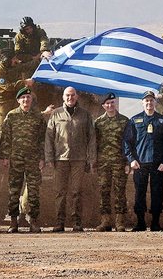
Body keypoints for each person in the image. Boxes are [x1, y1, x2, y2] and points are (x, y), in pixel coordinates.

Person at [45, 86, 95, 232]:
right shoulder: (56, 114)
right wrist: (49, 158)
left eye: (72, 95)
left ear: (77, 97)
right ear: (63, 97)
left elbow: (91, 138)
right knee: (60, 192)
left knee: (76, 192)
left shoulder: (85, 115)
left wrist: (91, 158)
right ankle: (59, 222)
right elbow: (49, 137)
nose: (70, 98)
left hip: (79, 160)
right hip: (60, 159)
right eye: (67, 95)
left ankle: (76, 223)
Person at [123, 91, 163, 231]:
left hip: (158, 164)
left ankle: (155, 223)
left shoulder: (162, 121)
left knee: (157, 193)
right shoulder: (134, 120)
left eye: (151, 101)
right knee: (139, 193)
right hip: (140, 163)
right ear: (142, 103)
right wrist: (131, 159)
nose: (149, 103)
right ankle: (140, 222)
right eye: (146, 101)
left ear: (155, 103)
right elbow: (128, 142)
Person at [1, 87, 46, 233]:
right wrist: (5, 157)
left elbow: (42, 140)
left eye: (28, 97)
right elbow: (5, 138)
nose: (26, 100)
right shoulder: (12, 116)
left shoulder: (38, 117)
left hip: (33, 159)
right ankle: (13, 221)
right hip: (16, 159)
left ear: (32, 100)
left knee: (33, 191)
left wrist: (42, 158)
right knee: (14, 190)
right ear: (19, 100)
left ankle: (33, 221)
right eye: (23, 98)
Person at [94, 92, 130, 232]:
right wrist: (94, 161)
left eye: (112, 103)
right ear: (103, 106)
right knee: (104, 191)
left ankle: (120, 222)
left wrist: (127, 162)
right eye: (107, 103)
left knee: (120, 191)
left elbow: (128, 143)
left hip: (119, 162)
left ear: (115, 103)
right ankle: (105, 221)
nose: (110, 105)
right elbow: (95, 143)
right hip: (103, 162)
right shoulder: (98, 122)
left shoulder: (124, 121)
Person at [0, 47, 34, 130]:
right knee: (4, 127)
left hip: (14, 99)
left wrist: (39, 60)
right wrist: (25, 82)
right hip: (3, 102)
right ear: (6, 60)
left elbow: (26, 66)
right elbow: (8, 86)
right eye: (14, 59)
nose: (16, 60)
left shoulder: (12, 67)